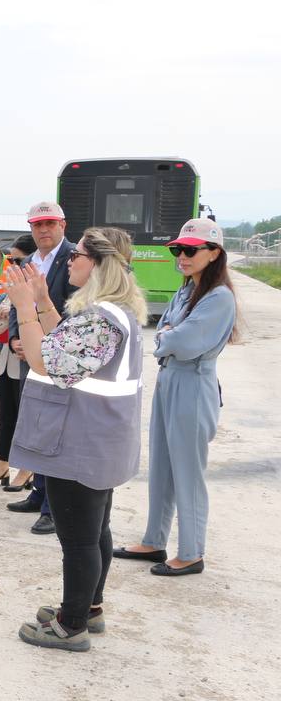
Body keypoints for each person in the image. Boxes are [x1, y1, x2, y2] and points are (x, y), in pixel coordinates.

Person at [5, 227, 147, 651]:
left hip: (81, 443)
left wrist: (25, 309)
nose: (70, 260)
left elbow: (45, 360)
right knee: (96, 529)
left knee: (79, 541)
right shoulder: (111, 312)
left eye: (78, 255)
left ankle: (71, 626)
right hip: (100, 441)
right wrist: (45, 303)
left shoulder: (102, 319)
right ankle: (89, 608)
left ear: (99, 265)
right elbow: (66, 340)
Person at [114, 218, 239, 576]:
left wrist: (168, 336)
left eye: (190, 250)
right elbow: (166, 333)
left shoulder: (219, 297)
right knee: (163, 467)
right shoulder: (187, 291)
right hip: (170, 380)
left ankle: (192, 551)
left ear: (214, 254)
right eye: (177, 249)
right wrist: (169, 336)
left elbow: (179, 342)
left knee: (188, 472)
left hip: (193, 384)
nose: (181, 256)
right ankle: (155, 540)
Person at [6, 202, 77, 534]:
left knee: (55, 431)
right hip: (29, 354)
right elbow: (15, 303)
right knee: (33, 423)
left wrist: (46, 342)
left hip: (58, 358)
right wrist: (16, 338)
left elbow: (72, 309)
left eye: (49, 223)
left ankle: (54, 507)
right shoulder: (27, 262)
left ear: (63, 224)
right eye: (37, 225)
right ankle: (38, 492)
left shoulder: (76, 259)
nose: (43, 230)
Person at [0, 235, 36, 490]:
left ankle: (28, 469)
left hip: (27, 359)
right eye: (10, 259)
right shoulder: (11, 286)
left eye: (17, 259)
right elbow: (2, 318)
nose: (11, 263)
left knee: (26, 416)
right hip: (6, 357)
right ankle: (2, 464)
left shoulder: (37, 288)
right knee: (6, 415)